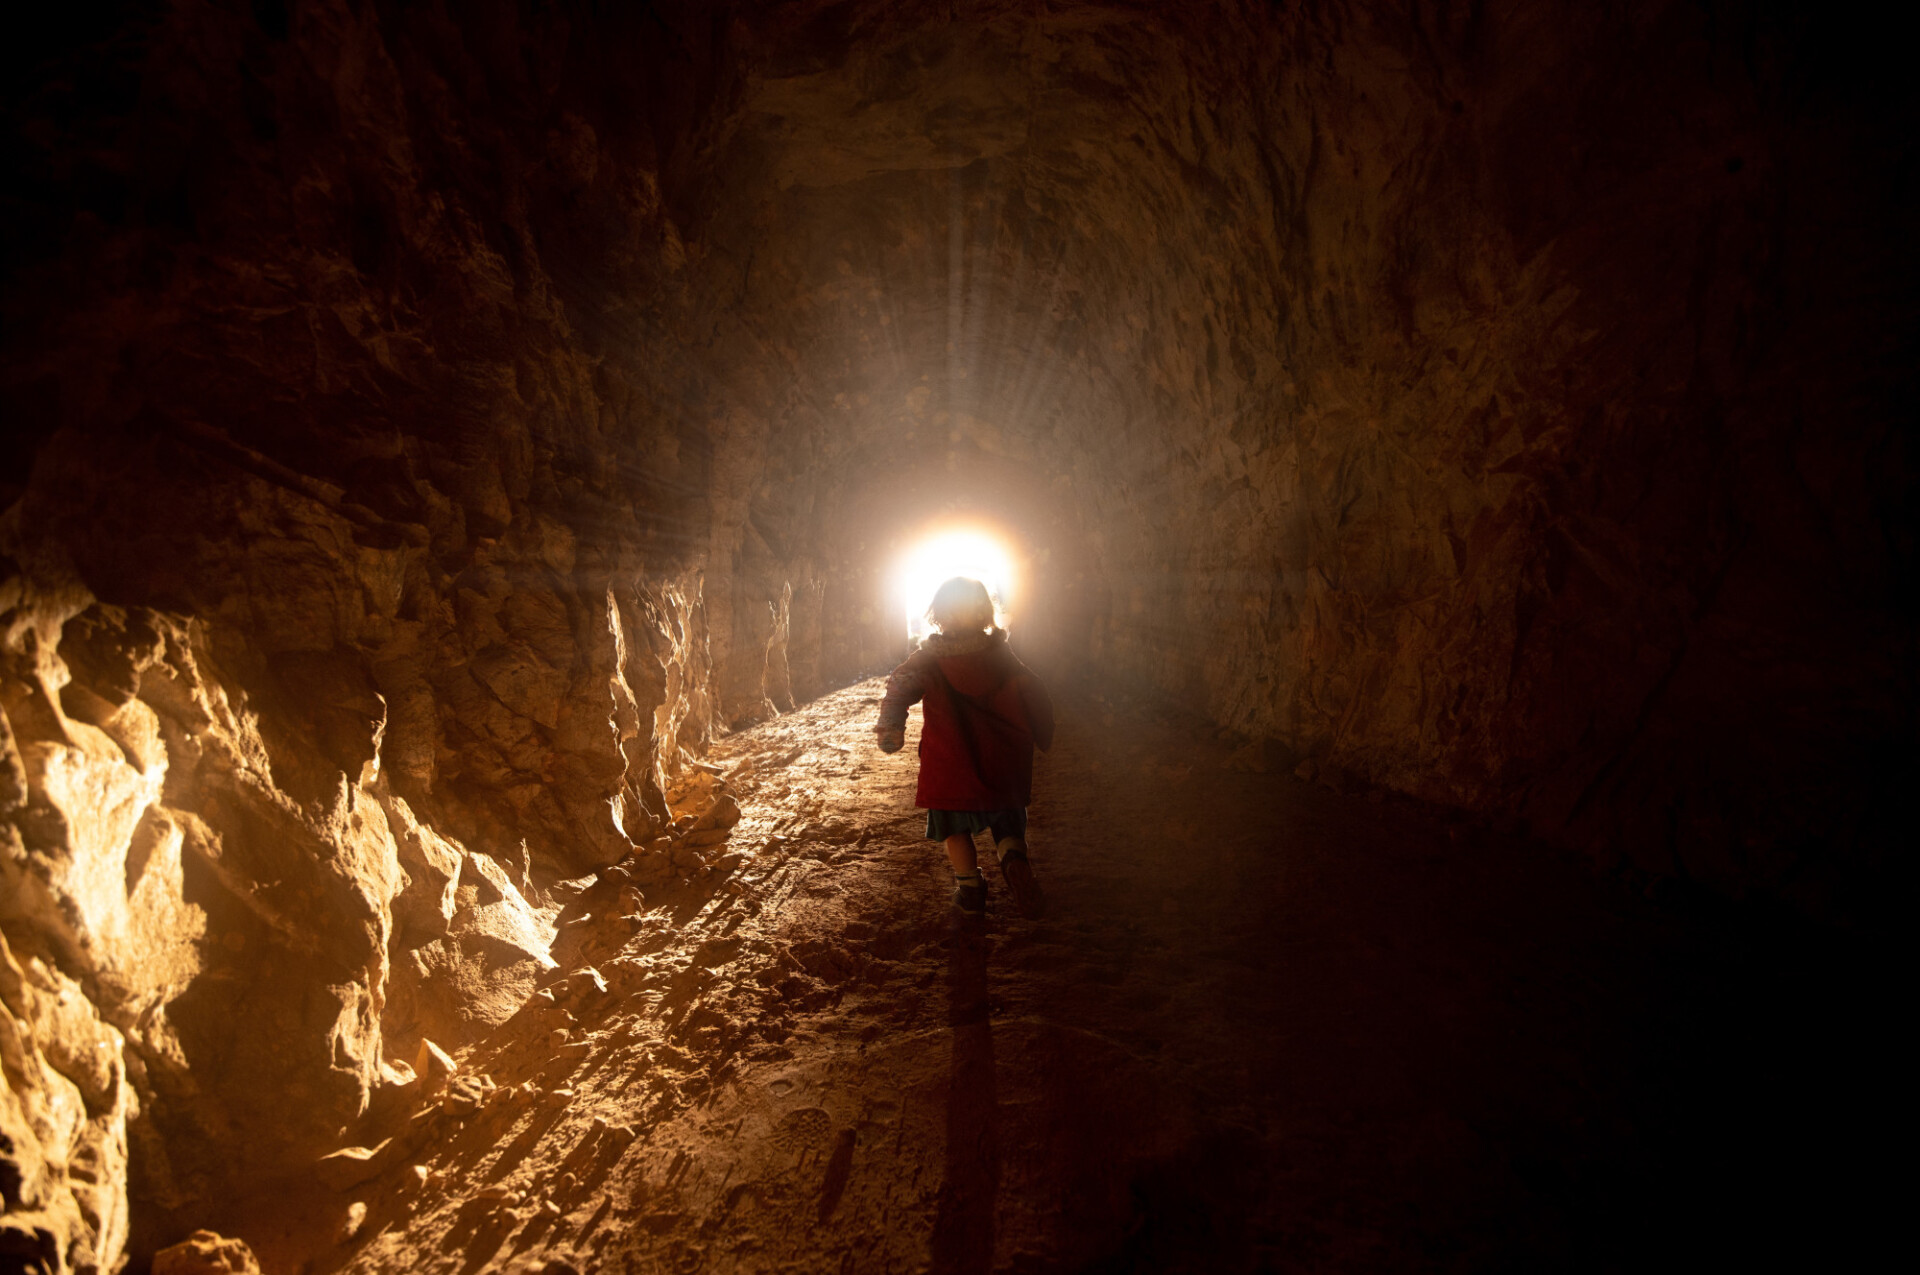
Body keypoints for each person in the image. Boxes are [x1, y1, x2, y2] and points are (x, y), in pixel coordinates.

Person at [874, 576, 1055, 916]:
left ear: (939, 615)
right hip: (1001, 759)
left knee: (953, 827)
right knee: (1007, 818)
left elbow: (899, 686)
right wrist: (1043, 729)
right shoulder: (1000, 654)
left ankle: (970, 887)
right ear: (984, 614)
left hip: (951, 763)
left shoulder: (929, 659)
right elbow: (1031, 687)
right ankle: (1013, 857)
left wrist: (891, 726)